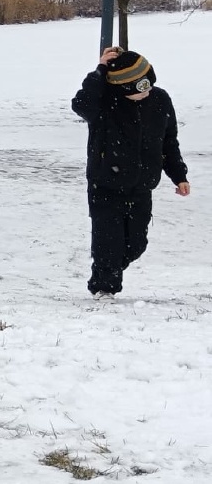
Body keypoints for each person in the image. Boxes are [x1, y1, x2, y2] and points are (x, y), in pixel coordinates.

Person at [71, 47, 190, 299]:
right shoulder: (104, 102)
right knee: (108, 241)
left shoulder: (160, 100)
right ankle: (104, 287)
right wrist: (100, 70)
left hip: (142, 186)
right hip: (105, 185)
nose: (145, 92)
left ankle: (108, 269)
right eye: (138, 89)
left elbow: (169, 141)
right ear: (121, 88)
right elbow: (81, 104)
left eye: (148, 85)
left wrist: (179, 175)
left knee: (136, 244)